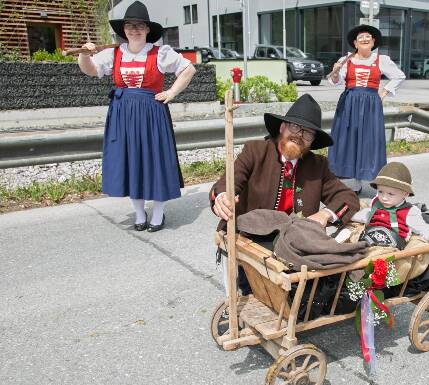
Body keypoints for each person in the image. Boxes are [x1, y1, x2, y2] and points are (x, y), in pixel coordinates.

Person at [210, 94, 361, 294]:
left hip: (294, 245)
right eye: (295, 127)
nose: (299, 135)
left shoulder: (317, 165)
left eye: (307, 133)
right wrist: (222, 197)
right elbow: (228, 182)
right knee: (250, 291)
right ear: (282, 127)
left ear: (312, 141)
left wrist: (325, 215)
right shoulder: (255, 151)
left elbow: (348, 198)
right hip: (251, 237)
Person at [78, 1, 196, 232]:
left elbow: (188, 69)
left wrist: (171, 92)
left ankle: (158, 214)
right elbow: (90, 69)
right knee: (130, 161)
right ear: (123, 30)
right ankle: (140, 214)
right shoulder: (114, 53)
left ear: (147, 29)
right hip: (123, 115)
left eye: (139, 25)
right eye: (130, 26)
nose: (134, 30)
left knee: (155, 161)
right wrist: (84, 54)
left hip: (152, 114)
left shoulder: (160, 53)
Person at [327, 25, 406, 193]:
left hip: (371, 104)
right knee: (348, 139)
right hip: (349, 103)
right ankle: (350, 181)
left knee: (368, 140)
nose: (364, 39)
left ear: (373, 42)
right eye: (360, 37)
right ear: (355, 43)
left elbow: (399, 75)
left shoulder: (381, 60)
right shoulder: (346, 60)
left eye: (367, 37)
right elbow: (336, 81)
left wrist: (384, 92)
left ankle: (365, 177)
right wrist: (335, 73)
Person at [351, 162, 429, 250]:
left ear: (405, 194)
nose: (384, 197)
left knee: (376, 257)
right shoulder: (376, 202)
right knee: (353, 246)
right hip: (368, 239)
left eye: (390, 194)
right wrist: (348, 216)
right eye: (380, 191)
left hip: (392, 247)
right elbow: (366, 215)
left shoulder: (409, 212)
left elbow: (422, 227)